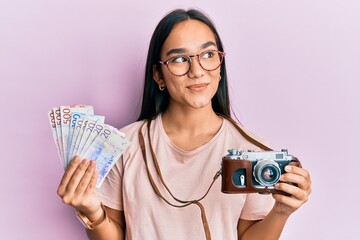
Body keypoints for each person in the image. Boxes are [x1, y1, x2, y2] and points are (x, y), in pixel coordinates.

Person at [57, 9, 311, 240]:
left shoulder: (254, 152)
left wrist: (281, 211)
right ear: (158, 75)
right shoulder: (125, 146)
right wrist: (91, 210)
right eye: (180, 59)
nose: (197, 70)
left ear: (220, 66)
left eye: (208, 55)